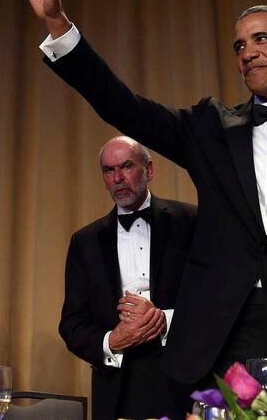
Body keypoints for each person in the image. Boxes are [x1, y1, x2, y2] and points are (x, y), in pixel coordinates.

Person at [4, 0, 267, 391]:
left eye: (261, 38)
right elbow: (122, 106)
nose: (247, 52)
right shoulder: (211, 129)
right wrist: (58, 22)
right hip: (223, 334)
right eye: (239, 44)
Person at [59, 136, 196, 420]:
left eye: (126, 166)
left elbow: (215, 301)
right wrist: (113, 341)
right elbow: (73, 323)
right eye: (109, 170)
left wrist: (164, 320)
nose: (118, 178)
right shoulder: (85, 241)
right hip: (117, 383)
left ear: (149, 170)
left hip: (183, 376)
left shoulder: (191, 222)